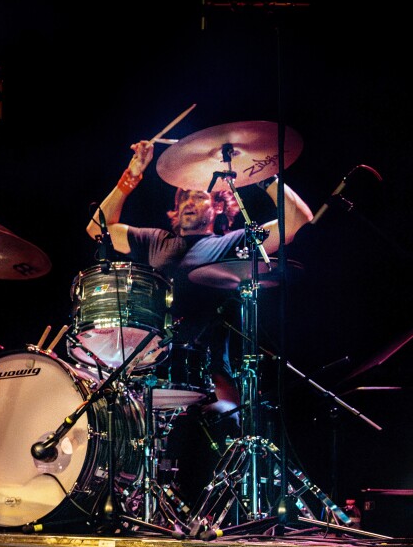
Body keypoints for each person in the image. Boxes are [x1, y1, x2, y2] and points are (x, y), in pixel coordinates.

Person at [85, 138, 314, 504]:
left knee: (225, 427)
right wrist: (131, 177)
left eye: (198, 197)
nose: (188, 203)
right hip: (147, 362)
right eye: (183, 199)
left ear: (218, 206)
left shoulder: (232, 242)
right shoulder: (154, 240)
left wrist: (260, 174)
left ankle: (217, 504)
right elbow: (97, 228)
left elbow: (298, 220)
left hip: (207, 371)